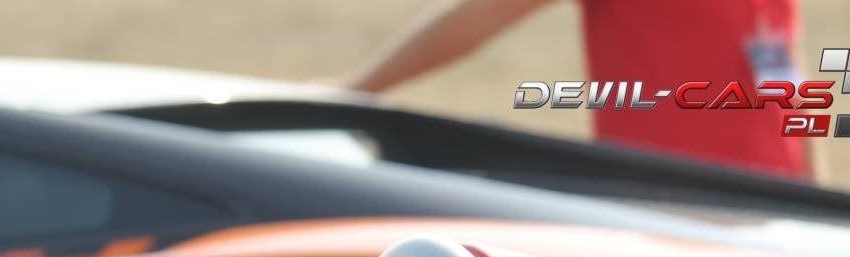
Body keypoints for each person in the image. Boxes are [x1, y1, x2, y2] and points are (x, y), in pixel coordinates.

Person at [347, 0, 814, 179]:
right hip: (669, 207)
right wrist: (359, 90)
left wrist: (818, 192)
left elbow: (786, 70)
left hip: (779, 208)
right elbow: (485, 15)